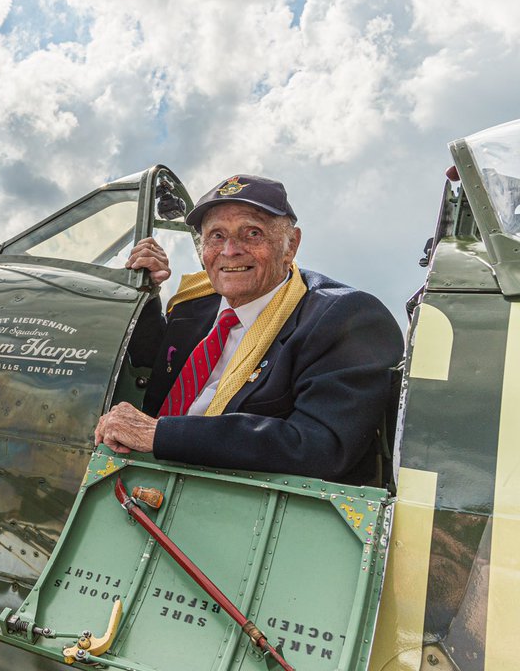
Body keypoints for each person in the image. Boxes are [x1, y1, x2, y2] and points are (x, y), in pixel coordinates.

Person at [93, 174, 402, 484]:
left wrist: (160, 434)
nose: (230, 250)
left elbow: (319, 445)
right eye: (216, 236)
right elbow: (157, 368)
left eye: (252, 233)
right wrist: (146, 293)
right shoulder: (194, 304)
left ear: (290, 244)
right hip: (141, 482)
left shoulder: (345, 318)